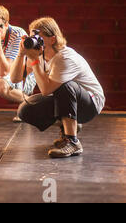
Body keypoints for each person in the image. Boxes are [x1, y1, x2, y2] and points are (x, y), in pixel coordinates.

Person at [11, 17, 105, 158]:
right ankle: (68, 125)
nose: (35, 40)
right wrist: (21, 54)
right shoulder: (42, 55)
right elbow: (15, 78)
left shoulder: (64, 58)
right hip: (70, 101)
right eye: (32, 37)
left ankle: (72, 142)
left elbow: (46, 90)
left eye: (38, 37)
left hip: (90, 104)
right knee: (25, 109)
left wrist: (35, 60)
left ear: (52, 39)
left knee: (64, 85)